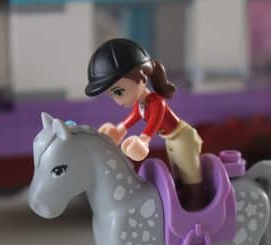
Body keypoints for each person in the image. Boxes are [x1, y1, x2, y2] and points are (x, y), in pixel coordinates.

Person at [85, 38, 204, 210]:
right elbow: (134, 117)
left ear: (141, 78)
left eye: (119, 92)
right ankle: (183, 201)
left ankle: (197, 202)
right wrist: (120, 129)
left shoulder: (156, 102)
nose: (117, 101)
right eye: (112, 95)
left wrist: (143, 140)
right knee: (177, 172)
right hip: (171, 139)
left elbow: (155, 122)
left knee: (189, 172)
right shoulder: (141, 103)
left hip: (182, 136)